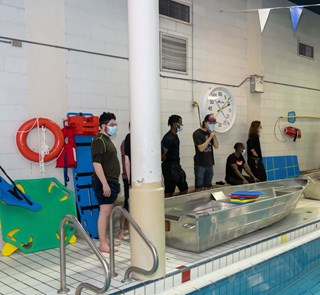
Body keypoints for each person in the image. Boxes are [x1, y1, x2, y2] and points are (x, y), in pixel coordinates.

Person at [91, 112, 120, 253]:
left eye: (115, 124)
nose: (114, 127)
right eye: (111, 125)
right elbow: (96, 164)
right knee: (104, 212)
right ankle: (102, 243)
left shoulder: (107, 140)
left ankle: (105, 239)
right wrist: (105, 184)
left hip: (111, 181)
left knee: (107, 212)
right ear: (103, 126)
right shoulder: (99, 140)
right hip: (105, 181)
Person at [161, 115, 188, 198]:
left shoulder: (175, 136)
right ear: (175, 124)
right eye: (180, 123)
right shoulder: (168, 138)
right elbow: (162, 156)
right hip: (169, 167)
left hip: (176, 165)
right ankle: (166, 206)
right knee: (169, 190)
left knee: (184, 188)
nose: (181, 125)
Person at [192, 114, 219, 191]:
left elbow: (216, 146)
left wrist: (214, 135)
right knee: (199, 186)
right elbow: (201, 148)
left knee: (208, 185)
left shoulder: (210, 133)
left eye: (213, 124)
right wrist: (210, 137)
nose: (212, 125)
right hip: (200, 163)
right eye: (210, 123)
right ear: (205, 122)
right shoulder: (197, 133)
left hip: (209, 163)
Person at [118, 123, 131, 240]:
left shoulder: (139, 140)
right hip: (128, 178)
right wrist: (130, 180)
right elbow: (126, 163)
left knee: (133, 205)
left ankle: (128, 227)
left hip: (137, 179)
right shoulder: (126, 141)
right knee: (127, 204)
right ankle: (121, 230)